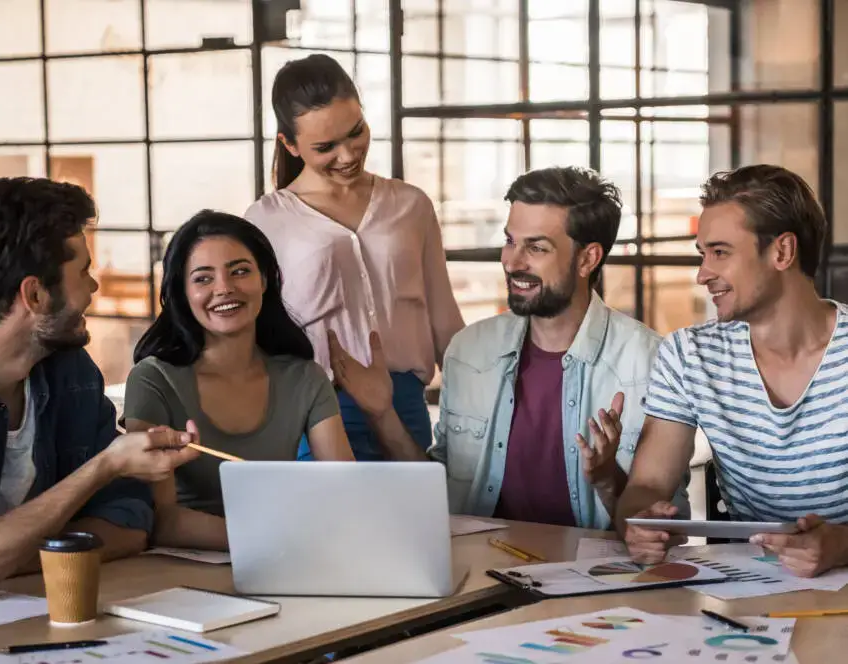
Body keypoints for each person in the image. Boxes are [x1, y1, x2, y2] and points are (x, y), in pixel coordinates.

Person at [332, 166, 687, 528]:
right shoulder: (469, 351)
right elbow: (440, 492)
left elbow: (668, 527)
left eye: (535, 247)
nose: (511, 262)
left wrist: (608, 480)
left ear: (587, 259)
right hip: (484, 569)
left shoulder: (650, 363)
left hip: (595, 576)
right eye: (509, 241)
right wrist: (381, 413)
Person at [0, 177, 199, 602]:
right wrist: (103, 467)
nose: (94, 287)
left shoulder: (69, 373)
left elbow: (131, 521)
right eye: (83, 271)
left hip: (37, 609)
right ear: (34, 294)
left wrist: (9, 558)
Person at [617, 164, 848, 578]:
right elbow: (646, 487)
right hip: (748, 593)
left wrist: (842, 544)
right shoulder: (688, 354)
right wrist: (641, 523)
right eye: (702, 255)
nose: (703, 274)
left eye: (720, 253)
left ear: (782, 252)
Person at [244, 53, 464, 461]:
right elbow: (258, 331)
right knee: (329, 523)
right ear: (289, 144)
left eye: (356, 132)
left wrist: (477, 401)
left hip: (405, 400)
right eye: (325, 147)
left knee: (412, 518)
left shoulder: (411, 205)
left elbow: (444, 315)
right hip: (315, 407)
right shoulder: (267, 219)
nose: (347, 155)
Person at [123, 211, 356, 551]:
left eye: (240, 271)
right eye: (203, 279)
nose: (225, 288)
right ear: (182, 292)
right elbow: (161, 518)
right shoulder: (154, 379)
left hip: (286, 557)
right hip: (184, 568)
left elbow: (346, 489)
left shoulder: (305, 376)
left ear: (264, 280)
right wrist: (274, 539)